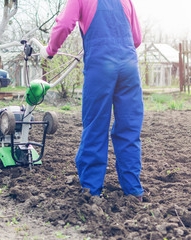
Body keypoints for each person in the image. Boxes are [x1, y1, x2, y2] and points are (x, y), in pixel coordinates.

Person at [40, 0, 144, 199]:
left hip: (101, 66)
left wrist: (50, 50)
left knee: (96, 126)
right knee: (129, 128)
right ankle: (134, 190)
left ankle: (92, 191)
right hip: (129, 67)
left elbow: (63, 25)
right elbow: (136, 39)